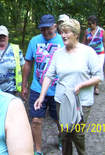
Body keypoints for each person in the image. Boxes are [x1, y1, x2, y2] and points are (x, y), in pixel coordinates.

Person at [34, 19, 103, 155]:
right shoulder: (59, 53)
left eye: (67, 32)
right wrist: (41, 97)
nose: (63, 35)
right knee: (64, 134)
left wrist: (82, 85)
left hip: (82, 101)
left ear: (76, 34)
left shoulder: (87, 52)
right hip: (62, 100)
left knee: (77, 134)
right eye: (62, 32)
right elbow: (49, 75)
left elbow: (99, 76)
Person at [21, 14, 64, 155]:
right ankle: (38, 150)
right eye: (42, 29)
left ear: (55, 27)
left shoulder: (63, 41)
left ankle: (61, 137)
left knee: (59, 119)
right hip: (37, 88)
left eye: (48, 29)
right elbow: (28, 63)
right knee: (36, 120)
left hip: (58, 88)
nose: (45, 32)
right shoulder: (34, 41)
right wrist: (24, 85)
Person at [0, 25, 25, 95]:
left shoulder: (15, 49)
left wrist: (24, 85)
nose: (2, 38)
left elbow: (24, 66)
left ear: (8, 37)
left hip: (10, 89)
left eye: (4, 36)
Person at [82, 15, 105, 95]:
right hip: (89, 53)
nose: (89, 25)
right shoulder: (87, 31)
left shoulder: (102, 31)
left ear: (95, 23)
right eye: (88, 23)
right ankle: (90, 85)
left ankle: (96, 87)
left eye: (90, 23)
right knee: (89, 70)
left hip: (100, 54)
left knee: (98, 69)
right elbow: (84, 43)